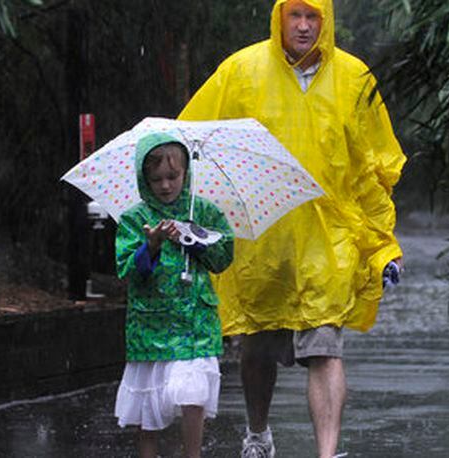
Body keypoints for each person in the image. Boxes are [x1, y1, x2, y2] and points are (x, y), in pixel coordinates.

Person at [178, 0, 406, 456]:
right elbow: (193, 141)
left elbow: (371, 171)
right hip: (262, 240)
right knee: (258, 349)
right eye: (295, 15)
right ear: (279, 17)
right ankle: (258, 433)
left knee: (325, 347)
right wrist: (194, 217)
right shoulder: (241, 71)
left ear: (327, 20)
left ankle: (327, 452)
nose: (304, 27)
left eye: (313, 16)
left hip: (329, 241)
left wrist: (383, 247)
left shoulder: (354, 78)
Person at [113, 133, 235, 458]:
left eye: (173, 177)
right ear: (144, 179)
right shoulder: (134, 220)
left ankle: (191, 455)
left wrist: (194, 240)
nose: (166, 186)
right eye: (157, 179)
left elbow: (223, 258)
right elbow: (127, 270)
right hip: (151, 327)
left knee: (193, 394)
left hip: (195, 322)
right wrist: (150, 245)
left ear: (186, 173)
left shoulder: (203, 212)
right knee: (147, 407)